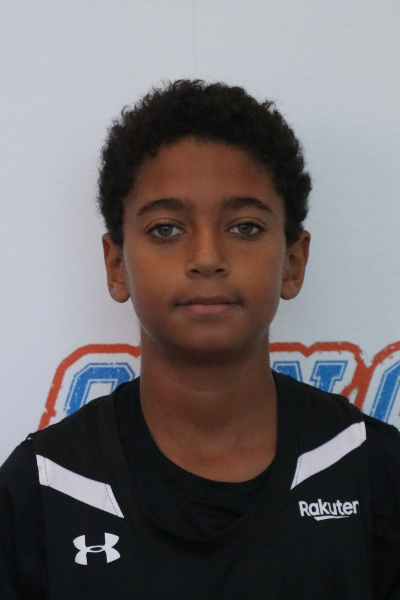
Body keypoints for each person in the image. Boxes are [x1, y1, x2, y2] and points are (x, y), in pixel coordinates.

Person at [1, 80, 399, 599]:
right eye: (166, 229)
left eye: (245, 227)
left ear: (293, 262)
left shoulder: (370, 471)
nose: (207, 257)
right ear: (116, 266)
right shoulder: (45, 488)